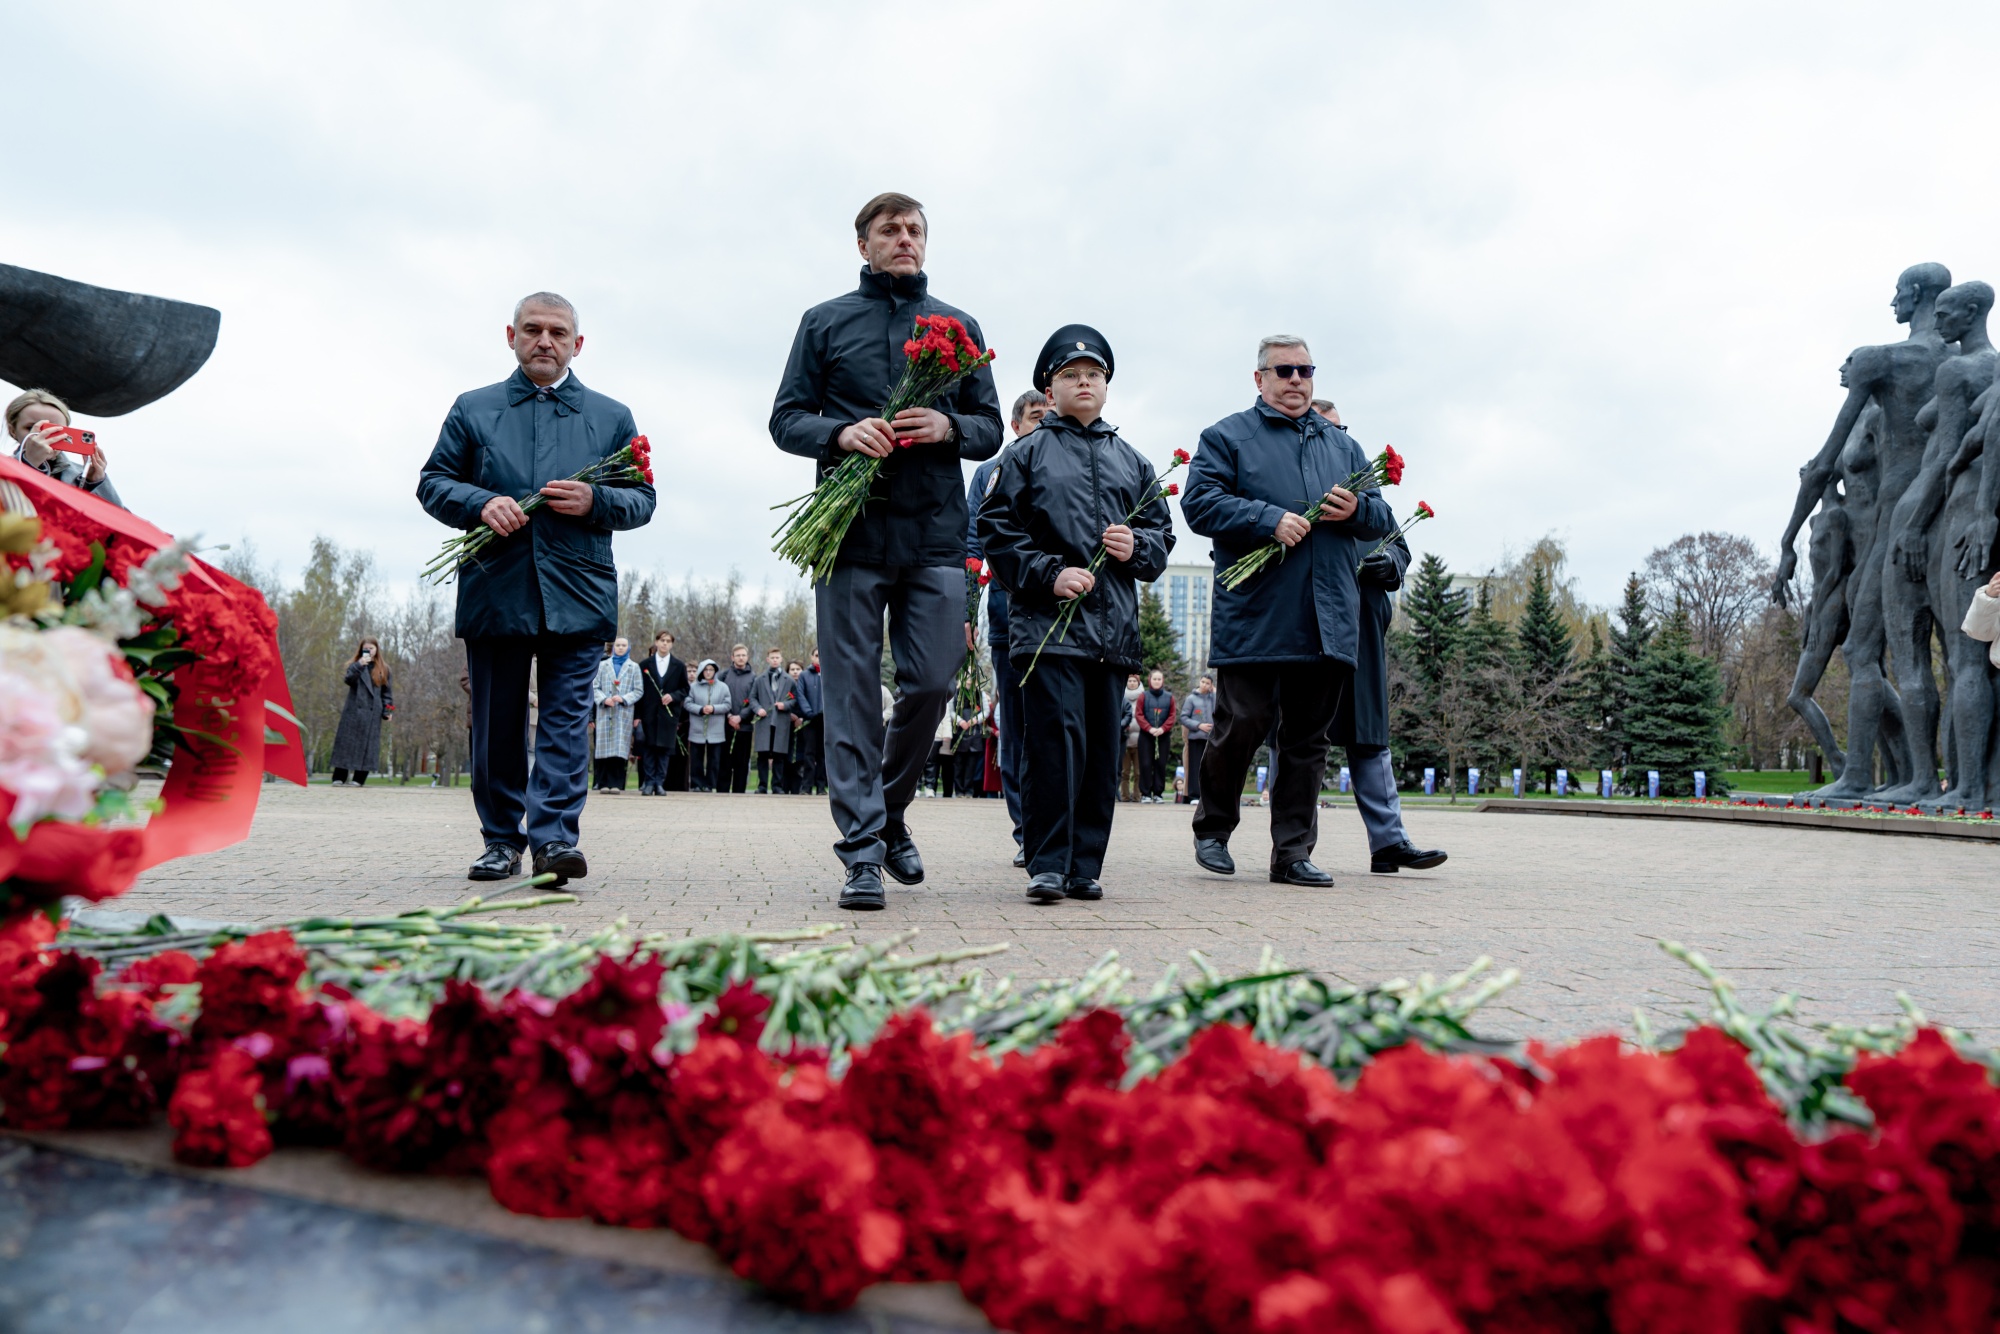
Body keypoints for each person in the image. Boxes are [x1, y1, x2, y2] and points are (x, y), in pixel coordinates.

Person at [769, 191, 1003, 910]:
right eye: (889, 230)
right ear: (863, 244)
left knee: (932, 684)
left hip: (934, 532)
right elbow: (785, 420)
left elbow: (991, 427)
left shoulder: (959, 328)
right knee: (848, 698)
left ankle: (892, 808)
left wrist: (949, 425)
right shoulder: (825, 321)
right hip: (849, 535)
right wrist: (840, 434)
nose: (904, 239)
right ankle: (863, 852)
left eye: (914, 230)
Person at [416, 291, 656, 886]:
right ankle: (501, 841)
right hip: (497, 590)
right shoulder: (474, 409)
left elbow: (643, 499)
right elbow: (433, 483)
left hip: (578, 592)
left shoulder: (610, 416)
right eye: (532, 330)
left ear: (578, 344)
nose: (544, 341)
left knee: (565, 722)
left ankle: (553, 842)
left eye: (557, 332)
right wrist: (481, 502)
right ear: (511, 336)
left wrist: (596, 499)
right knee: (496, 725)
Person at [1181, 335, 1392, 887]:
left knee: (1306, 740)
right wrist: (1266, 518)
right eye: (1284, 371)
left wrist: (1356, 509)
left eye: (1305, 370)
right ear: (1260, 379)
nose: (1296, 380)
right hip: (1257, 613)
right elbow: (1198, 504)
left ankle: (1292, 852)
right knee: (1242, 724)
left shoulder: (1341, 446)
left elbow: (1381, 517)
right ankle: (1214, 828)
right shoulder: (1226, 437)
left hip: (1327, 616)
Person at [978, 324, 1174, 905]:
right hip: (1046, 629)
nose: (1083, 382)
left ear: (1106, 387)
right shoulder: (1025, 454)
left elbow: (1161, 538)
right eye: (1070, 375)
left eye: (1093, 375)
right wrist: (1048, 573)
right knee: (1052, 747)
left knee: (1099, 755)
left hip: (1112, 634)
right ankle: (1047, 864)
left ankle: (1085, 866)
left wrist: (1135, 547)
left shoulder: (1134, 461)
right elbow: (996, 529)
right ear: (1050, 387)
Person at [1308, 401, 1447, 872]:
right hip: (1308, 632)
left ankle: (1389, 842)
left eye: (1340, 430)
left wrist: (1391, 565)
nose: (1335, 440)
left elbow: (1398, 546)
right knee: (1302, 738)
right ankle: (1293, 847)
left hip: (1364, 632)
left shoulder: (1369, 498)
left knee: (1369, 736)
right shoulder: (1297, 494)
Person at [967, 388, 1049, 865]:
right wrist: (964, 613)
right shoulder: (988, 474)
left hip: (1064, 619)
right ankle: (1027, 831)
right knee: (1017, 729)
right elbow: (972, 545)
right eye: (1036, 417)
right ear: (1016, 425)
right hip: (1008, 619)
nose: (1043, 423)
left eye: (1049, 416)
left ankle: (1059, 826)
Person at [6, 389, 123, 507]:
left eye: (55, 430)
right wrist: (28, 464)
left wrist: (95, 483)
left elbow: (122, 520)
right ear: (13, 431)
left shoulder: (82, 474)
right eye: (31, 428)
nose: (44, 436)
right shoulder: (3, 469)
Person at [330, 637, 393, 786]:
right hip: (353, 711)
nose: (369, 651)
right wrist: (360, 665)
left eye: (372, 648)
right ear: (361, 650)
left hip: (372, 713)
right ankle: (339, 776)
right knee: (346, 743)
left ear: (377, 650)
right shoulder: (355, 665)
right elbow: (348, 680)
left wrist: (388, 710)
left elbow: (387, 693)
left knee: (368, 746)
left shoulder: (384, 669)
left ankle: (359, 778)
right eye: (366, 648)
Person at [635, 630, 689, 795]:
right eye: (662, 640)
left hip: (668, 714)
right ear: (656, 642)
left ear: (671, 644)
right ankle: (649, 781)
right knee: (649, 748)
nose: (665, 643)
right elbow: (639, 691)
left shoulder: (678, 666)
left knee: (664, 750)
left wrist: (672, 696)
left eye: (668, 641)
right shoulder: (645, 665)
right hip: (649, 713)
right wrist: (637, 716)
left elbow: (685, 688)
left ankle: (659, 782)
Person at [592, 638, 641, 793]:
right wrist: (604, 699)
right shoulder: (602, 665)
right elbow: (594, 687)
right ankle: (603, 783)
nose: (620, 648)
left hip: (623, 713)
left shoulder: (634, 667)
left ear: (628, 648)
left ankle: (617, 784)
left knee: (620, 748)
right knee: (604, 747)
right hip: (605, 711)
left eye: (623, 645)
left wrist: (624, 699)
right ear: (613, 648)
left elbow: (638, 690)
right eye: (618, 645)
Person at [750, 647, 797, 794]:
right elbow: (752, 698)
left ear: (781, 659)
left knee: (779, 755)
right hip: (764, 722)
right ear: (767, 659)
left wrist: (786, 705)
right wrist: (758, 709)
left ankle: (777, 785)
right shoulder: (760, 679)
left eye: (777, 657)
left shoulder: (789, 680)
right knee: (763, 754)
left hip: (781, 721)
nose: (775, 660)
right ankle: (762, 785)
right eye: (772, 657)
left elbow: (795, 699)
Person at [685, 659, 730, 791]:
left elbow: (727, 705)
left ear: (715, 671)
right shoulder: (693, 687)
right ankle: (696, 784)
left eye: (711, 670)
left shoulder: (723, 687)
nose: (708, 672)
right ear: (701, 671)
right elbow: (688, 703)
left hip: (715, 729)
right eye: (706, 669)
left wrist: (714, 708)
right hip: (697, 728)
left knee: (714, 760)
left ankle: (709, 784)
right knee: (696, 759)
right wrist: (700, 709)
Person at [718, 644, 756, 794]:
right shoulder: (724, 675)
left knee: (741, 763)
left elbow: (754, 700)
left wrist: (740, 717)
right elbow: (719, 697)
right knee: (725, 762)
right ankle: (722, 792)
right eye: (738, 655)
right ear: (732, 657)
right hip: (725, 725)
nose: (741, 658)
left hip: (744, 727)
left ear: (747, 657)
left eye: (743, 655)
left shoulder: (754, 677)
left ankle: (739, 793)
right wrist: (729, 717)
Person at [1136, 668, 1177, 803]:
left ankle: (1158, 793)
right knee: (1146, 764)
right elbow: (1139, 714)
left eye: (1159, 679)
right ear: (1150, 680)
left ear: (1162, 681)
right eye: (1154, 679)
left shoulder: (1169, 697)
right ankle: (1146, 793)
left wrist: (1163, 728)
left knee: (1160, 764)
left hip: (1163, 736)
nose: (1157, 681)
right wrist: (1149, 728)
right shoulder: (1143, 696)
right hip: (1146, 736)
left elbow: (1172, 716)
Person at [792, 649, 825, 794]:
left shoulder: (830, 674)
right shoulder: (804, 675)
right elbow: (800, 695)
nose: (819, 658)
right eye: (817, 655)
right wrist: (809, 713)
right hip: (809, 720)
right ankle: (806, 787)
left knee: (823, 755)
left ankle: (821, 786)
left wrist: (824, 712)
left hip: (825, 720)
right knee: (809, 753)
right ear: (812, 657)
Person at [1181, 674, 1216, 803]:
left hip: (1211, 739)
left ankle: (1208, 795)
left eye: (1208, 683)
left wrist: (1215, 693)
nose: (1204, 685)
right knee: (1195, 767)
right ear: (1199, 682)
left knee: (1210, 768)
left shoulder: (1214, 698)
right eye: (1203, 682)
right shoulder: (1191, 699)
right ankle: (1194, 795)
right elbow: (1184, 717)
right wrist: (1198, 725)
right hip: (1196, 737)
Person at [1120, 673, 1143, 801]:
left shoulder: (1143, 697)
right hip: (1124, 740)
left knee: (1138, 773)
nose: (1132, 683)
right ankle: (1124, 796)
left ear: (1138, 683)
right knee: (1125, 772)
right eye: (1129, 680)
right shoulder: (1120, 696)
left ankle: (1137, 796)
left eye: (1134, 681)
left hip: (1140, 741)